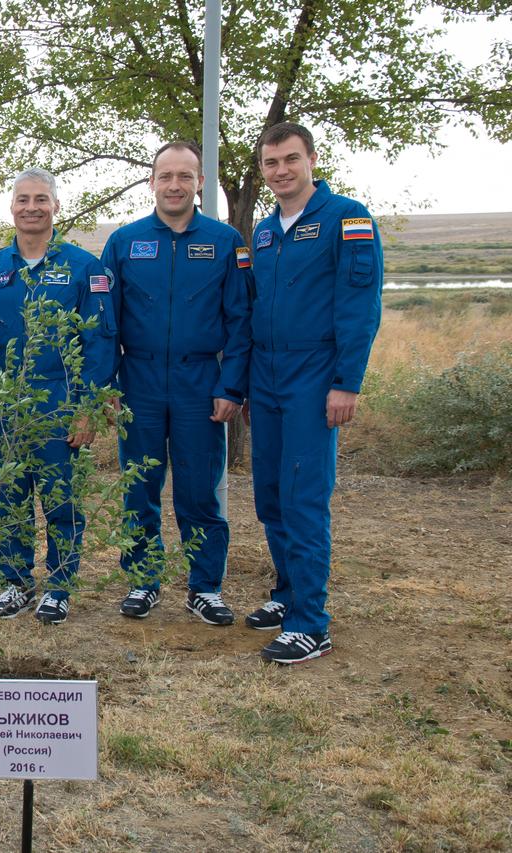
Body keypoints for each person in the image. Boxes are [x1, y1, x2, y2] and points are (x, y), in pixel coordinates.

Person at [247, 122, 383, 664]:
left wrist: (346, 381)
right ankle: (287, 596)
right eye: (270, 163)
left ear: (311, 160)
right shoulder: (263, 230)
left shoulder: (346, 219)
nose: (280, 171)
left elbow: (359, 305)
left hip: (314, 376)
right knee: (271, 497)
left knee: (304, 500)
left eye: (290, 160)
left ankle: (311, 623)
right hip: (267, 376)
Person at [101, 142, 252, 625]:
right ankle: (144, 581)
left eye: (184, 176)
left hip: (200, 383)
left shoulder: (226, 242)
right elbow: (105, 324)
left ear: (199, 183)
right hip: (138, 382)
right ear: (151, 182)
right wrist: (107, 389)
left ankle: (204, 587)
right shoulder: (124, 242)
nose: (174, 185)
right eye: (165, 176)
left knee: (199, 490)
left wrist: (231, 387)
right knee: (139, 487)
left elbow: (241, 321)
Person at [0, 168, 118, 625]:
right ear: (11, 207)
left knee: (61, 499)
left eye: (40, 199)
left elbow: (101, 342)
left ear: (56, 206)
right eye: (22, 199)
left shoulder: (83, 267)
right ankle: (15, 581)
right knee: (9, 497)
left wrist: (89, 408)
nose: (31, 207)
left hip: (61, 404)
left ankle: (59, 585)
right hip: (5, 408)